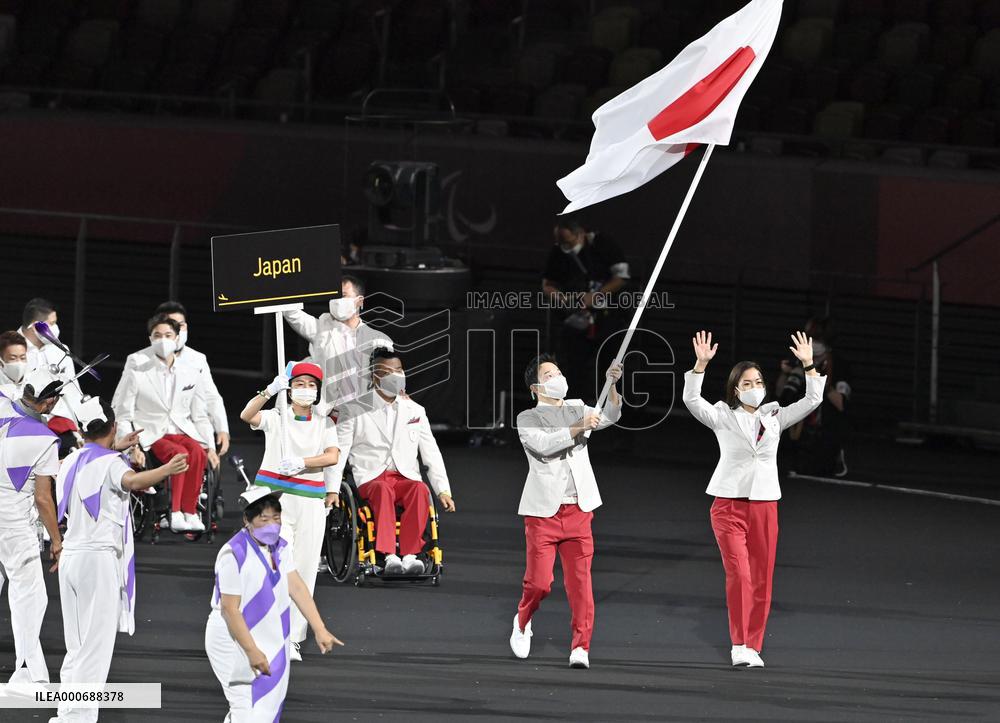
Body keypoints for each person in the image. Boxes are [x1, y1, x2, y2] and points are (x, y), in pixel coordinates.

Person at [682, 330, 826, 668]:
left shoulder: (774, 417)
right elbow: (691, 400)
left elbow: (812, 400)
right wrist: (700, 366)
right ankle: (738, 643)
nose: (754, 387)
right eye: (746, 383)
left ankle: (752, 645)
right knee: (741, 575)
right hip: (728, 506)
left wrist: (808, 365)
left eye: (757, 381)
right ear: (735, 389)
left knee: (762, 579)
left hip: (765, 504)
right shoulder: (722, 415)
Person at [51, 398, 186, 723]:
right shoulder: (112, 463)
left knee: (77, 645)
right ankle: (77, 718)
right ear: (112, 428)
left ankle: (67, 712)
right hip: (97, 561)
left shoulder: (71, 460)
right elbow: (131, 481)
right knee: (94, 648)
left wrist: (117, 449)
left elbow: (98, 467)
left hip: (71, 556)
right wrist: (167, 469)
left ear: (83, 430)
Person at [509, 354, 622, 670]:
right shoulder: (527, 417)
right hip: (543, 513)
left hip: (578, 510)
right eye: (549, 374)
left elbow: (610, 415)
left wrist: (612, 386)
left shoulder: (578, 407)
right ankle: (522, 620)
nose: (557, 377)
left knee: (580, 584)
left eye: (558, 371)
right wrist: (578, 426)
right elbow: (544, 446)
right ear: (536, 387)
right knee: (539, 583)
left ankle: (581, 646)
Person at [205, 487, 343, 722]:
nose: (272, 524)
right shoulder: (232, 554)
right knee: (244, 705)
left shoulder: (281, 547)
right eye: (264, 519)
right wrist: (251, 651)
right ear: (247, 520)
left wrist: (319, 628)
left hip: (268, 633)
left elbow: (297, 587)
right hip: (231, 636)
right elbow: (230, 609)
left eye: (276, 518)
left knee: (267, 707)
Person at [239, 361, 340, 662]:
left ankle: (293, 638)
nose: (305, 390)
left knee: (305, 570)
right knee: (274, 565)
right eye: (299, 384)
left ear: (318, 391)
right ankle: (265, 631)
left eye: (311, 385)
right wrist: (270, 389)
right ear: (290, 387)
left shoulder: (325, 422)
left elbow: (333, 456)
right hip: (274, 500)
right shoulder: (276, 417)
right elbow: (247, 415)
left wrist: (303, 462)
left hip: (309, 500)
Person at [325, 348, 455, 576]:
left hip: (405, 476)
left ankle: (410, 555)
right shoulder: (354, 409)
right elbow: (340, 450)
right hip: (371, 477)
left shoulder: (415, 410)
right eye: (389, 371)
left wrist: (443, 490)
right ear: (375, 376)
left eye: (399, 370)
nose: (396, 375)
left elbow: (431, 451)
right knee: (383, 490)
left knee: (419, 489)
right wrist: (332, 489)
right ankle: (388, 555)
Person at [112, 314, 218, 532]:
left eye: (168, 335)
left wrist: (212, 446)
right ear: (150, 339)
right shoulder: (138, 372)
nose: (163, 340)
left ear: (177, 338)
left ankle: (190, 511)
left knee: (197, 452)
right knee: (180, 454)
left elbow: (200, 415)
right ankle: (174, 512)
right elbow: (124, 413)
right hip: (152, 433)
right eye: (157, 335)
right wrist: (132, 447)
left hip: (181, 429)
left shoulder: (191, 373)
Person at [0, 384, 63, 684]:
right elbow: (43, 498)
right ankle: (28, 674)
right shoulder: (46, 440)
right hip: (12, 526)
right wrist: (57, 541)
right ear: (48, 400)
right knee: (29, 598)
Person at [113, 301, 231, 457]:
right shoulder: (138, 360)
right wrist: (125, 443)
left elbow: (211, 397)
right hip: (151, 431)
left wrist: (221, 428)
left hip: (186, 429)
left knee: (198, 455)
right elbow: (121, 403)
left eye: (179, 325)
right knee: (179, 455)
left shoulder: (197, 359)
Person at [541, 218, 629, 398]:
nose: (565, 246)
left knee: (610, 366)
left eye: (568, 242)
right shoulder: (559, 252)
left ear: (580, 234)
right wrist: (565, 299)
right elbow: (548, 285)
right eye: (561, 243)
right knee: (574, 368)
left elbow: (622, 277)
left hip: (607, 318)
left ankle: (612, 411)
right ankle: (575, 409)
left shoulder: (602, 244)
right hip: (575, 320)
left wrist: (596, 296)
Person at [281, 275, 393, 413]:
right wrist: (290, 278)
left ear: (359, 301)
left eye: (343, 295)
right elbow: (292, 313)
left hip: (360, 415)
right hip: (326, 414)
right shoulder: (321, 328)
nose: (337, 301)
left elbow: (388, 381)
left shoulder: (378, 340)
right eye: (335, 296)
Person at [776, 317, 852, 477]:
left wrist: (820, 379)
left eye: (816, 341)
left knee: (819, 467)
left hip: (824, 432)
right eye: (809, 340)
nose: (812, 345)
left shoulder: (839, 365)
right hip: (798, 433)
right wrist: (785, 373)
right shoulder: (799, 360)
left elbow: (841, 404)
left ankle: (836, 457)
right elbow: (781, 394)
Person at [18, 298, 85, 437]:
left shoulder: (60, 350)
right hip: (21, 426)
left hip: (62, 428)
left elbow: (73, 391)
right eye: (52, 323)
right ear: (36, 326)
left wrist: (80, 427)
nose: (56, 328)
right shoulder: (11, 350)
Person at [0, 330, 30, 400]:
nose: (19, 362)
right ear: (1, 362)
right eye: (13, 358)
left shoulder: (33, 379)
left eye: (23, 358)